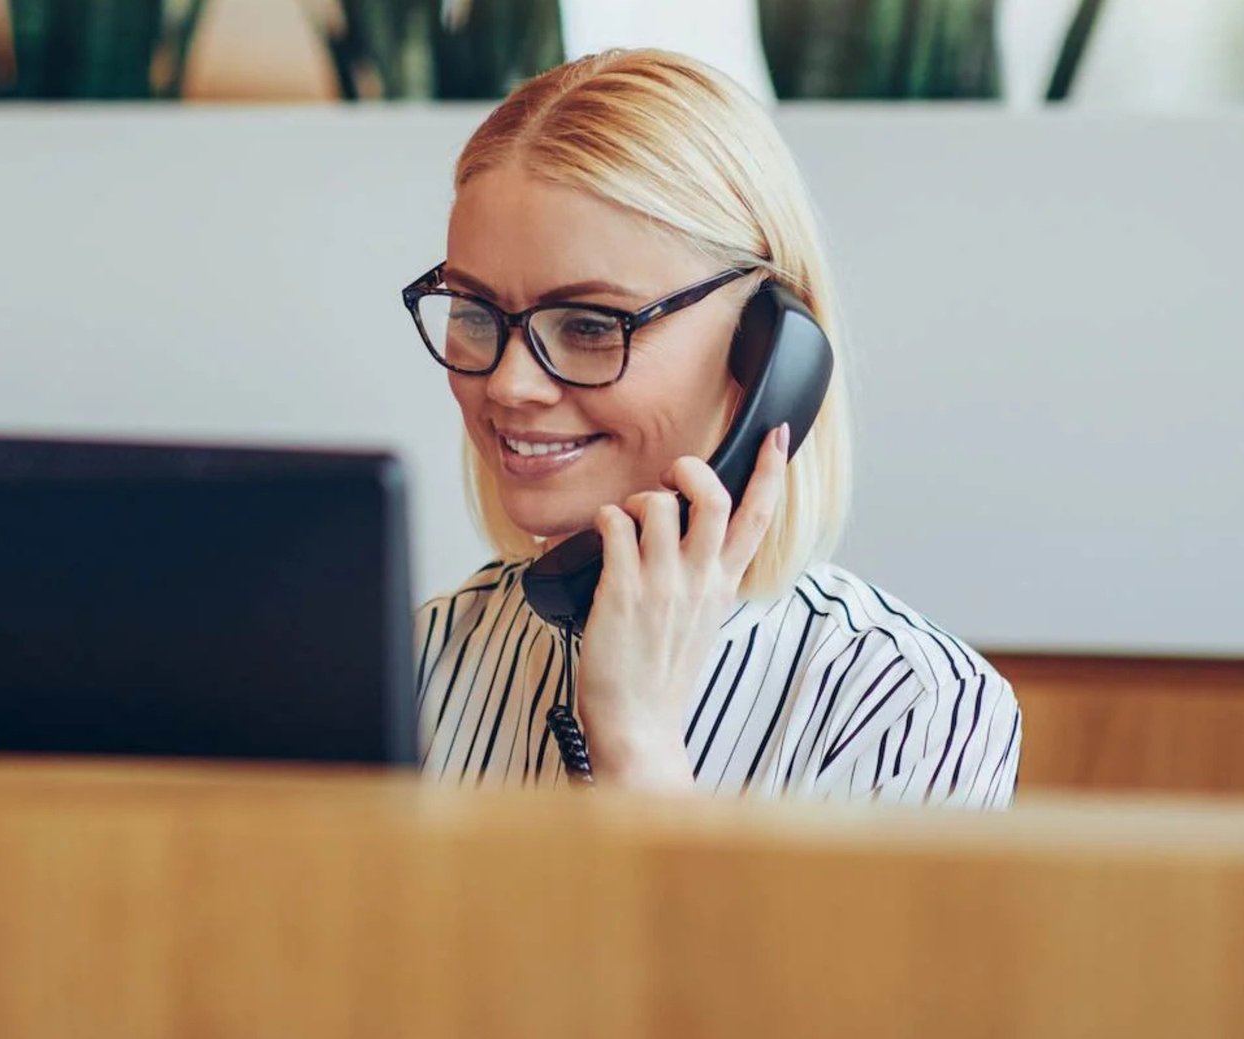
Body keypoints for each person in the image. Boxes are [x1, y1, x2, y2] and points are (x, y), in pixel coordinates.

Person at [409, 49, 1020, 804]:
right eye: (475, 313)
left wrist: (637, 746)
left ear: (770, 354)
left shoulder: (909, 709)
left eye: (592, 326)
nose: (508, 383)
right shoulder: (415, 664)